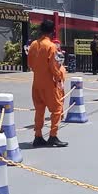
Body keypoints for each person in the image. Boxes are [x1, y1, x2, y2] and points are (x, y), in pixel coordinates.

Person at [28, 20, 68, 148]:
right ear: (52, 32)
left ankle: (38, 136)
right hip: (49, 83)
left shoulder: (33, 45)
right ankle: (53, 136)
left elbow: (30, 64)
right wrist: (60, 76)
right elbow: (54, 66)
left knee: (39, 110)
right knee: (57, 109)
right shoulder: (51, 47)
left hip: (37, 83)